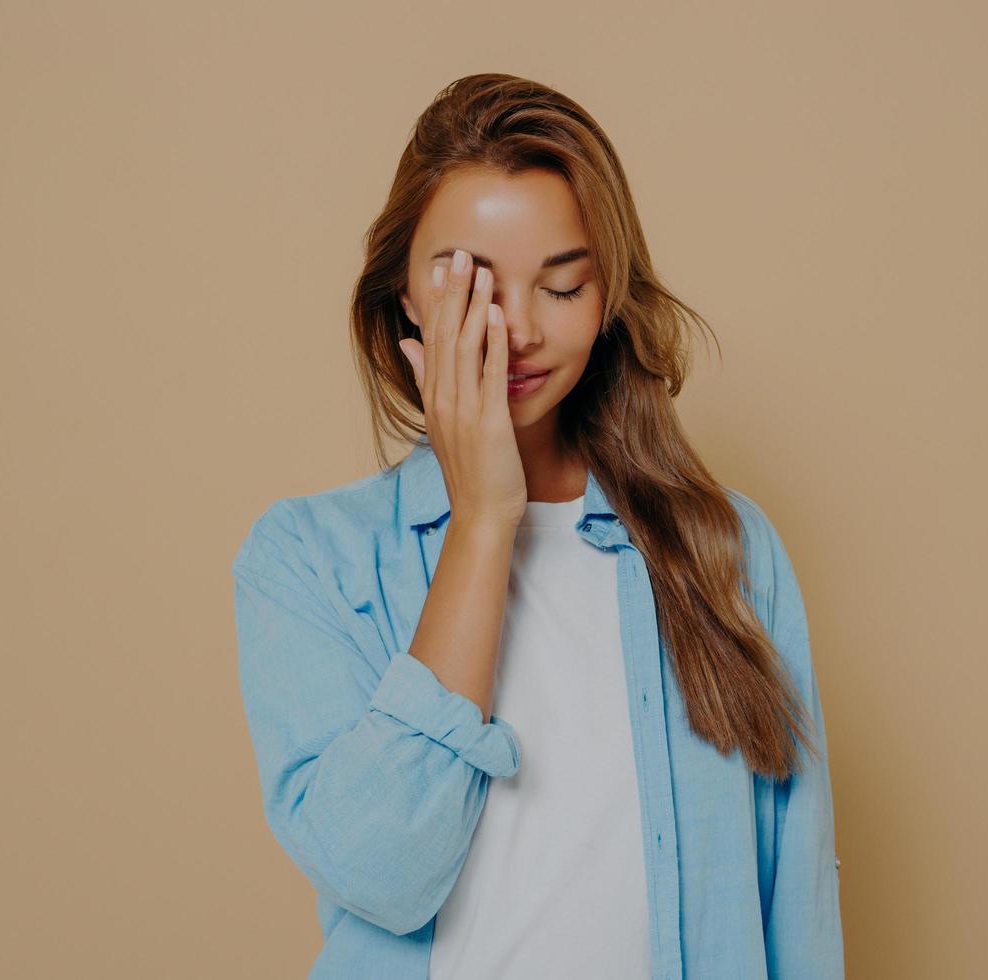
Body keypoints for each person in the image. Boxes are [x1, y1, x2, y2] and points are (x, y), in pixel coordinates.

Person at [231, 73, 845, 980]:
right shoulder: (308, 560)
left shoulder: (729, 550)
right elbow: (383, 874)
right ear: (404, 288)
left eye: (561, 287)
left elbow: (795, 898)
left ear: (607, 306)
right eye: (469, 282)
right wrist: (483, 518)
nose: (514, 330)